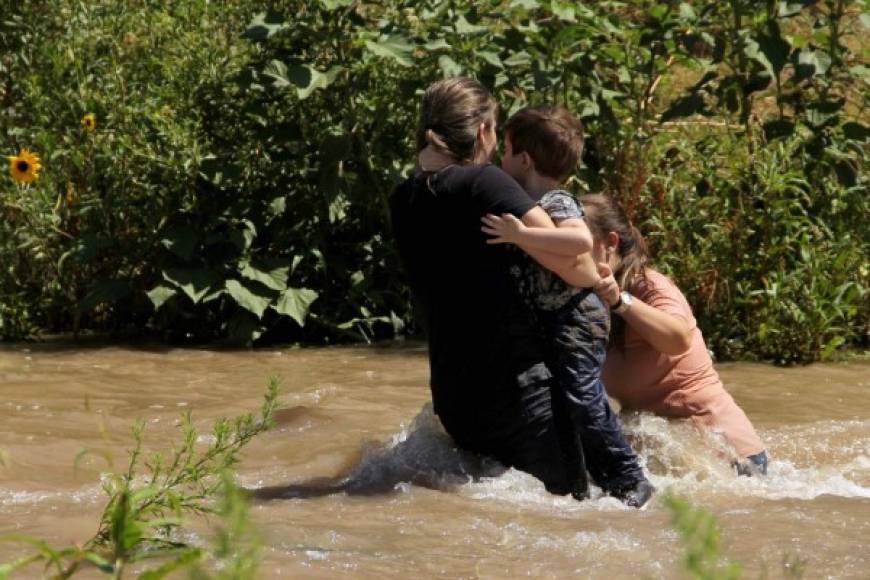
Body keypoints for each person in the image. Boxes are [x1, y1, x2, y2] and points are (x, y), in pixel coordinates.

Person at [390, 77, 652, 506]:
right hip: (521, 395)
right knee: (577, 512)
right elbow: (578, 265)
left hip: (456, 400)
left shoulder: (403, 198)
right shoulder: (484, 184)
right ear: (483, 133)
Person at [478, 105, 652, 502]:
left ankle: (630, 478)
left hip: (578, 313)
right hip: (558, 316)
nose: (499, 160)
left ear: (523, 160)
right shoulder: (528, 199)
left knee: (581, 393)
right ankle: (596, 477)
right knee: (565, 397)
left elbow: (578, 242)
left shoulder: (555, 200)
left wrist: (519, 234)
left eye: (504, 151)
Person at [581, 194, 768, 475]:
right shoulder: (587, 298)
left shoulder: (652, 287)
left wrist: (620, 302)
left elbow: (678, 339)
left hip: (729, 462)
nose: (571, 248)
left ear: (610, 243)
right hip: (671, 458)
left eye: (579, 239)